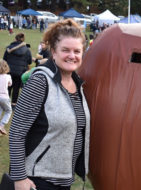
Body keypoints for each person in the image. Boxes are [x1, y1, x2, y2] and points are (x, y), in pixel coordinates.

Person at [9, 18, 90, 190]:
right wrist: (19, 177)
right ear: (53, 52)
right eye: (65, 50)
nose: (72, 56)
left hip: (64, 180)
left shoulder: (78, 85)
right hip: (36, 179)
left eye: (77, 51)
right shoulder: (40, 81)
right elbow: (16, 131)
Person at [3, 33, 32, 109]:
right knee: (16, 88)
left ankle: (6, 103)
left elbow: (4, 59)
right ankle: (13, 104)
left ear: (15, 39)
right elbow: (29, 61)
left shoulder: (9, 48)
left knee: (8, 87)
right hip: (20, 71)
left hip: (9, 71)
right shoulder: (27, 50)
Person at [0, 59, 12, 135]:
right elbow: (10, 84)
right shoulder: (8, 76)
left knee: (0, 109)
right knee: (8, 111)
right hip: (4, 97)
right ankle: (1, 125)